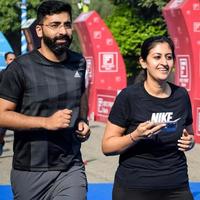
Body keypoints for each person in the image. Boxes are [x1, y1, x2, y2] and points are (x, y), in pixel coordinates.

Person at [0, 1, 90, 199]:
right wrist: (46, 122)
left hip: (70, 166)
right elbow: (1, 115)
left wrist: (83, 120)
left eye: (67, 24)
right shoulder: (20, 68)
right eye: (54, 25)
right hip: (30, 170)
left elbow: (81, 93)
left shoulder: (79, 62)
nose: (63, 31)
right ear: (39, 30)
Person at [102, 36, 195, 200]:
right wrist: (135, 136)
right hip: (134, 188)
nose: (164, 63)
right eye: (157, 57)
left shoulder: (181, 95)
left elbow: (189, 134)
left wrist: (190, 142)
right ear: (143, 62)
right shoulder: (128, 97)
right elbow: (107, 147)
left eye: (169, 57)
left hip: (177, 187)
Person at [0, 51, 16, 156]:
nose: (13, 62)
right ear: (6, 61)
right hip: (4, 109)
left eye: (15, 59)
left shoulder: (22, 74)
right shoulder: (1, 75)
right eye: (10, 59)